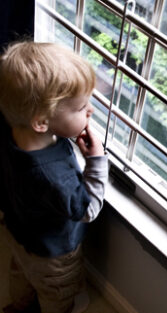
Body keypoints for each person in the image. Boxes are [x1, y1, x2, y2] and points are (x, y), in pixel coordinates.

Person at [0, 41, 109, 313]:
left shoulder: (12, 132)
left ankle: (20, 304)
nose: (90, 110)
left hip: (19, 232)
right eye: (81, 106)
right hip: (54, 255)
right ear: (41, 122)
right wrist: (96, 160)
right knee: (57, 293)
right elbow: (88, 209)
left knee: (22, 273)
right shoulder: (54, 177)